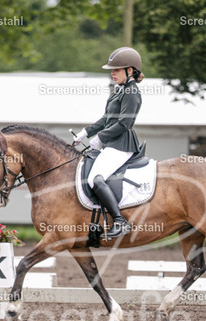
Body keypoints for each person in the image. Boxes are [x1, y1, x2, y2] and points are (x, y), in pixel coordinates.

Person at [73, 47, 144, 239]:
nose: (112, 73)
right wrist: (85, 132)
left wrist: (100, 138)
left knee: (95, 179)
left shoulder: (132, 92)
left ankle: (119, 221)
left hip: (122, 145)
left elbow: (124, 123)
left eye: (116, 70)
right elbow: (106, 119)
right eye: (112, 70)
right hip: (112, 144)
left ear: (130, 70)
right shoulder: (119, 91)